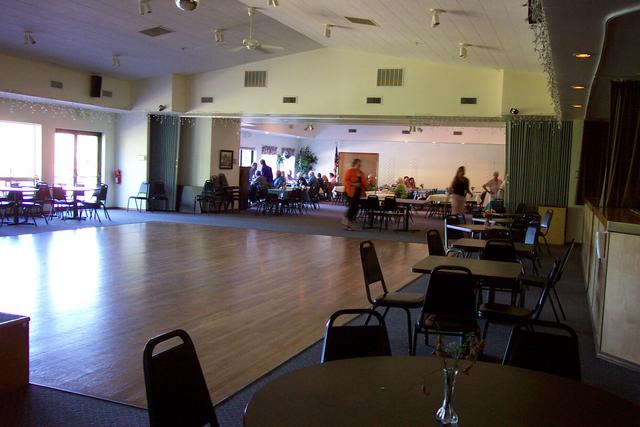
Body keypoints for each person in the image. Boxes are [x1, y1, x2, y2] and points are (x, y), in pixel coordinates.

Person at [341, 158, 367, 230]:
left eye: (360, 163)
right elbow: (345, 181)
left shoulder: (361, 173)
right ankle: (347, 224)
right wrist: (354, 184)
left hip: (358, 193)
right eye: (358, 163)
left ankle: (347, 222)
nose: (359, 165)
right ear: (354, 163)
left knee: (356, 208)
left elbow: (364, 183)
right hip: (349, 192)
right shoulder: (349, 171)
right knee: (352, 207)